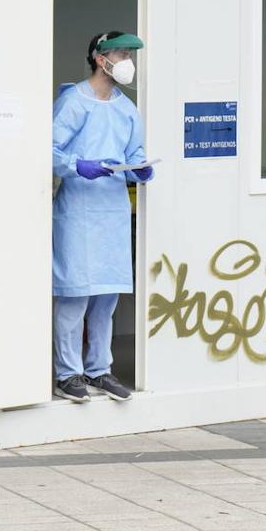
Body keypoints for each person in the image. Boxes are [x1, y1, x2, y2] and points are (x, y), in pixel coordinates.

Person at [51, 31, 154, 403]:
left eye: (129, 53)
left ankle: (99, 370)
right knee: (75, 295)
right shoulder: (73, 102)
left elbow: (134, 151)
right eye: (121, 53)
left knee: (106, 298)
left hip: (111, 212)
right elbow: (46, 150)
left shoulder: (126, 108)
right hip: (77, 210)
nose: (127, 60)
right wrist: (77, 165)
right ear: (100, 58)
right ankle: (68, 373)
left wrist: (139, 169)